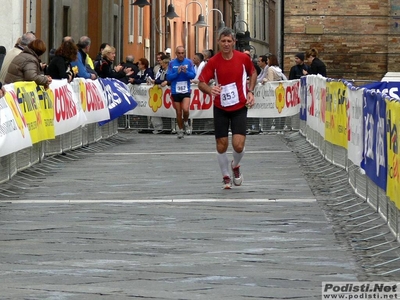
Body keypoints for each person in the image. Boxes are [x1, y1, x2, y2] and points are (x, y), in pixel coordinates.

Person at [198, 27, 256, 189]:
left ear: (234, 42)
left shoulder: (243, 59)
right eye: (223, 41)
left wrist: (250, 91)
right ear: (218, 42)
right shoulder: (214, 62)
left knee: (238, 145)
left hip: (239, 106)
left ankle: (235, 166)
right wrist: (210, 90)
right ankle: (225, 175)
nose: (226, 44)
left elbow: (253, 73)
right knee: (221, 144)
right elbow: (201, 82)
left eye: (229, 41)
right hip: (221, 107)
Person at [166, 46, 196, 139]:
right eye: (179, 53)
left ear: (185, 53)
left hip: (185, 90)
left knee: (186, 109)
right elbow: (168, 77)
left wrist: (186, 72)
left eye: (182, 53)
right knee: (178, 112)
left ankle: (186, 122)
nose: (181, 55)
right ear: (176, 53)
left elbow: (193, 75)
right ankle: (180, 129)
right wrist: (177, 73)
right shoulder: (172, 63)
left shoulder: (189, 62)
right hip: (175, 90)